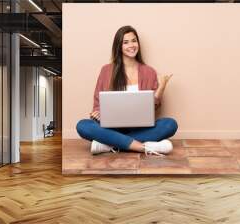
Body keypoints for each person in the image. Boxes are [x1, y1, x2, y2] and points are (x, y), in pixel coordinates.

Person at [76, 25, 178, 156]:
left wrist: (162, 86)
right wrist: (98, 112)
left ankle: (110, 144)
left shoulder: (149, 71)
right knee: (83, 125)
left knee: (170, 124)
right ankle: (143, 147)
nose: (131, 45)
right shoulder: (106, 70)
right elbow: (97, 103)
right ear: (119, 46)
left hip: (140, 128)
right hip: (112, 127)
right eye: (126, 42)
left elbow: (154, 106)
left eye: (134, 41)